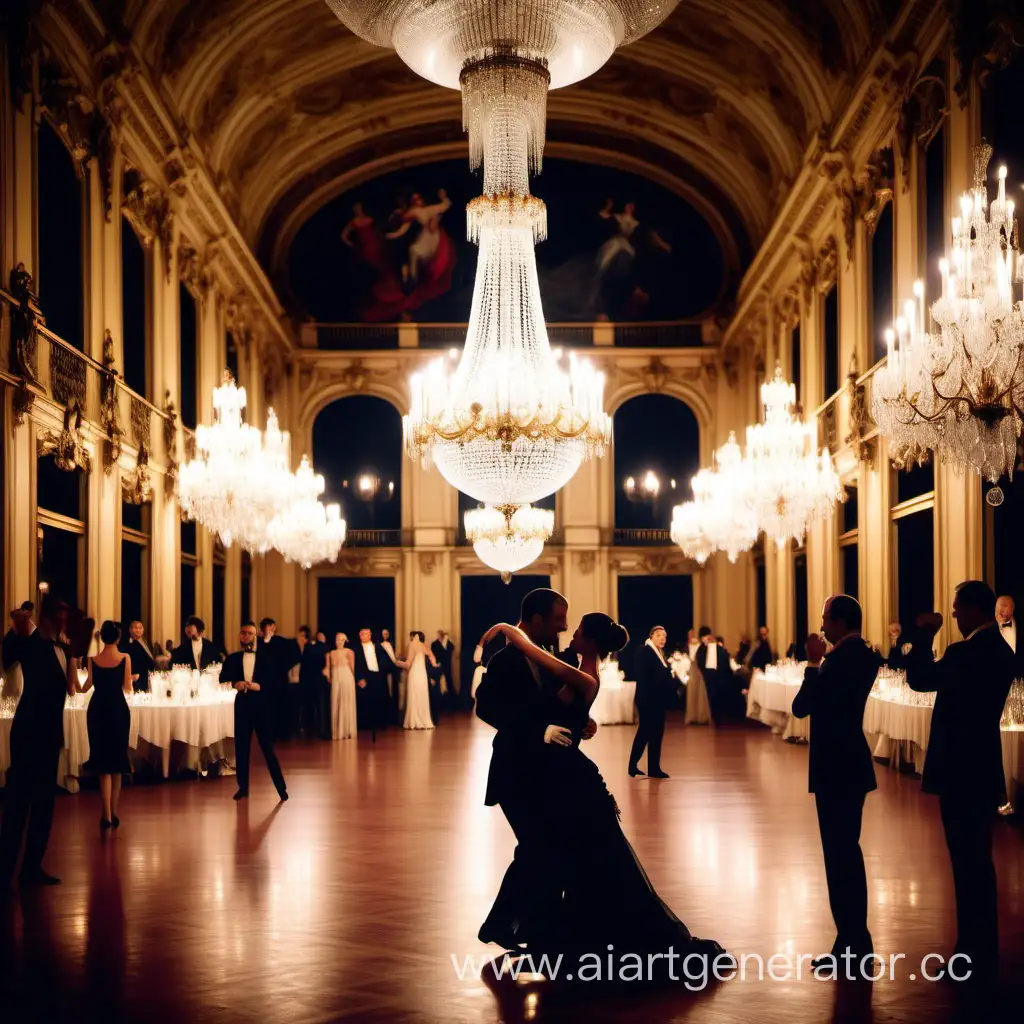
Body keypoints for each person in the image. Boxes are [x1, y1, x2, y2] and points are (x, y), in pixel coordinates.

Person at [476, 592, 728, 969]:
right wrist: (546, 727)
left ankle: (533, 935)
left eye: (571, 624)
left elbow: (566, 697)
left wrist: (574, 720)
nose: (565, 627)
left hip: (551, 774)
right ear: (538, 618)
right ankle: (521, 931)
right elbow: (489, 707)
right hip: (517, 771)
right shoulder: (509, 660)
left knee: (544, 851)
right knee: (540, 849)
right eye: (560, 619)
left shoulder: (556, 659)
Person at [903, 581, 1017, 979]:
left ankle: (970, 953)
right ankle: (981, 948)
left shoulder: (965, 652)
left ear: (972, 610)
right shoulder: (1002, 652)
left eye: (956, 609)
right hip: (983, 764)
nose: (952, 615)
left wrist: (924, 635)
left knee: (964, 861)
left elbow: (918, 679)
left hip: (958, 767)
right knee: (978, 862)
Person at [791, 595, 881, 965]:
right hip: (848, 764)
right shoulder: (861, 655)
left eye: (826, 619)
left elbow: (802, 707)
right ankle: (850, 942)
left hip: (836, 766)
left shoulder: (841, 660)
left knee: (840, 855)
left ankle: (853, 945)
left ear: (841, 623)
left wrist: (813, 664)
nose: (822, 625)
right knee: (845, 852)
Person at [0, 598, 75, 889]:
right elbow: (8, 658)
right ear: (45, 619)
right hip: (27, 733)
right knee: (18, 805)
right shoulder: (30, 643)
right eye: (56, 618)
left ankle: (32, 868)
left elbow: (67, 689)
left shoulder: (64, 648)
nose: (61, 623)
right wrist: (17, 624)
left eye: (64, 619)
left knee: (44, 805)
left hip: (49, 736)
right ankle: (4, 874)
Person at [220, 621, 287, 802]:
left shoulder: (266, 657)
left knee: (267, 747)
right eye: (243, 633)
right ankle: (243, 787)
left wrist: (260, 686)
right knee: (241, 747)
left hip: (261, 705)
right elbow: (222, 679)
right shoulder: (233, 658)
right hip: (242, 704)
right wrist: (236, 684)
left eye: (249, 633)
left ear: (255, 635)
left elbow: (277, 683)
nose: (245, 636)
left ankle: (281, 788)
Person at [80, 621, 132, 832]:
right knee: (117, 763)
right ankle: (114, 810)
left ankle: (106, 814)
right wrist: (130, 679)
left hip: (97, 711)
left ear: (102, 638)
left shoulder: (93, 660)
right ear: (118, 638)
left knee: (102, 765)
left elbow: (85, 687)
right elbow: (127, 688)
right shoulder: (125, 658)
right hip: (118, 710)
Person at [628, 625, 672, 778]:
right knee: (645, 732)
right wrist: (666, 672)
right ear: (651, 636)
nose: (662, 638)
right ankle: (632, 765)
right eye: (659, 635)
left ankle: (654, 768)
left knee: (657, 734)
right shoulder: (644, 651)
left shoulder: (660, 654)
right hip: (647, 700)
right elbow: (642, 676)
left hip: (658, 700)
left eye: (665, 636)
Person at [258, 617, 300, 740]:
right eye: (267, 627)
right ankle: (267, 732)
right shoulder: (259, 642)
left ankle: (282, 733)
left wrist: (283, 668)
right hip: (264, 680)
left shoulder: (281, 641)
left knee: (280, 705)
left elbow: (293, 655)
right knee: (266, 707)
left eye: (272, 627)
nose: (271, 629)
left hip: (279, 679)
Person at [352, 628, 396, 740]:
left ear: (370, 635)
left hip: (378, 677)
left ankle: (380, 723)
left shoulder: (378, 647)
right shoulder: (356, 649)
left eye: (367, 634)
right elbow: (354, 665)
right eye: (362, 634)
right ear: (359, 635)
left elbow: (386, 661)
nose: (364, 636)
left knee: (379, 699)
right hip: (365, 678)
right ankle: (365, 724)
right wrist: (359, 678)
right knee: (365, 701)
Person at [396, 631, 438, 730]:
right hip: (422, 674)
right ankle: (424, 721)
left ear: (413, 637)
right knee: (422, 695)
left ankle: (413, 721)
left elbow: (408, 664)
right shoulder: (424, 646)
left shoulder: (412, 645)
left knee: (414, 696)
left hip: (414, 673)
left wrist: (396, 662)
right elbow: (433, 660)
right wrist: (435, 665)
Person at [325, 633, 357, 739]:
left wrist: (355, 680)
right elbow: (328, 669)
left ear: (345, 641)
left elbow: (352, 668)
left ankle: (347, 731)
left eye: (341, 640)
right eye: (337, 639)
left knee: (346, 701)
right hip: (336, 678)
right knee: (335, 702)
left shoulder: (350, 652)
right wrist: (328, 676)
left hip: (347, 677)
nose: (339, 642)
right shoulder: (331, 653)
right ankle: (336, 731)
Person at [296, 625, 324, 738]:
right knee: (306, 705)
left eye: (302, 635)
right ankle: (306, 727)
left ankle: (313, 728)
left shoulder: (312, 648)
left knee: (313, 704)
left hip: (313, 679)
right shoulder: (302, 648)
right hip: (305, 680)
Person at [119, 619, 155, 692]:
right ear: (130, 630)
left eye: (140, 628)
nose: (138, 630)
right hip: (137, 676)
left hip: (147, 675)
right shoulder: (128, 644)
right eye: (136, 628)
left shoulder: (145, 641)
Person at [431, 629, 456, 711]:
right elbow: (433, 654)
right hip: (438, 666)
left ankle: (452, 704)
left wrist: (446, 641)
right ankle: (438, 704)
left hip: (447, 667)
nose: (440, 636)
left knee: (449, 682)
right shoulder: (434, 644)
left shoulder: (449, 643)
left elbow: (451, 649)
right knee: (438, 684)